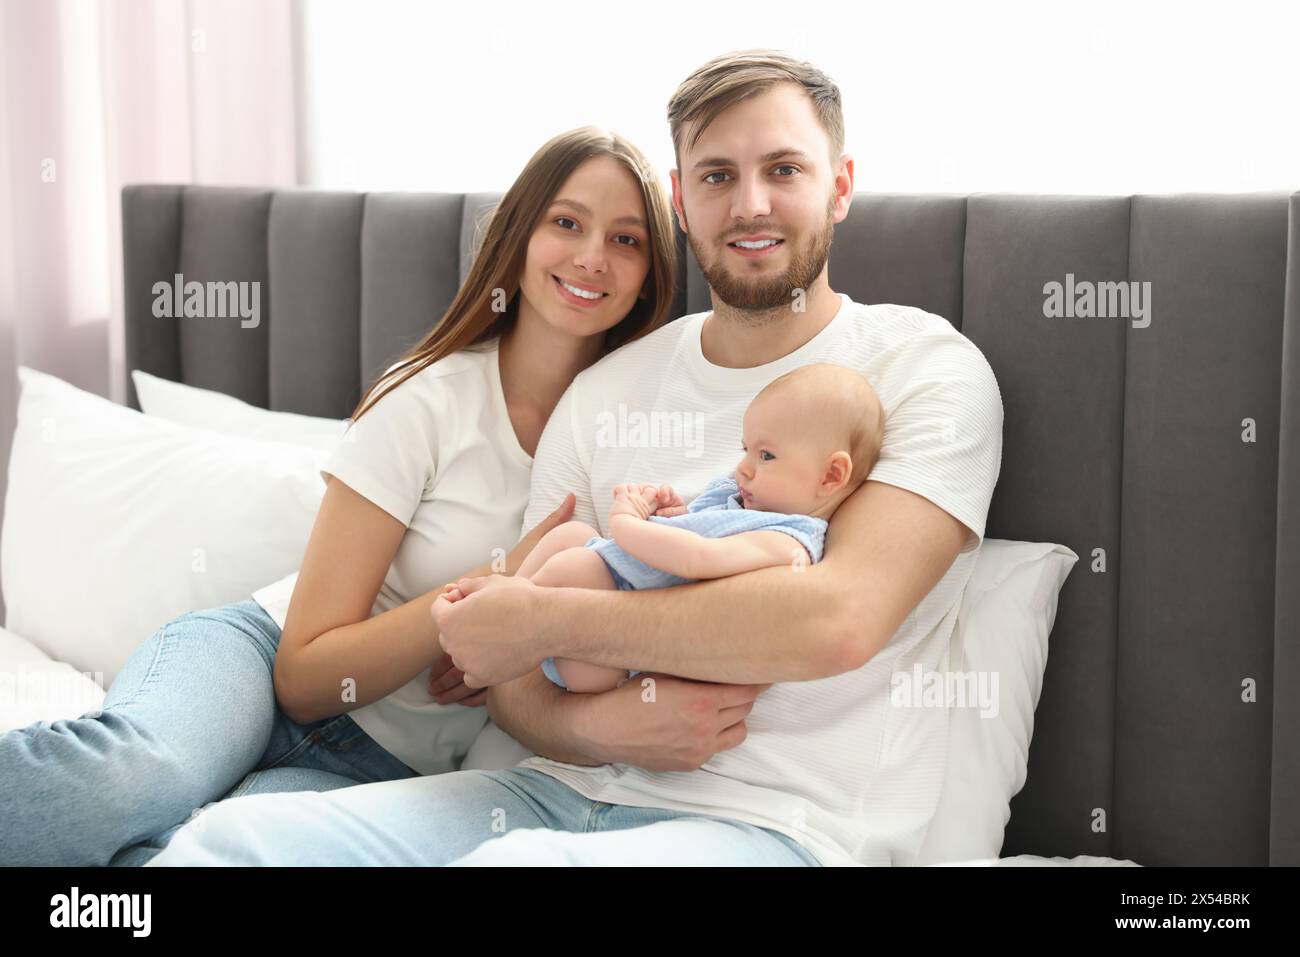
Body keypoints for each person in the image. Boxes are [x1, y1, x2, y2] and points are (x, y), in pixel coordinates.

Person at [146, 49, 1004, 868]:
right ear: (679, 198)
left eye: (784, 170)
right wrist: (593, 727)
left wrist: (549, 623)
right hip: (543, 793)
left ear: (840, 185)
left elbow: (835, 621)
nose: (749, 204)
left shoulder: (923, 370)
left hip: (769, 824)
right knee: (230, 846)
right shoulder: (604, 390)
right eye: (716, 175)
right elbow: (512, 675)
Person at [0, 126, 678, 866]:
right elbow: (303, 677)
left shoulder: (631, 449)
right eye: (567, 222)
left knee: (184, 858)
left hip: (385, 771)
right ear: (518, 237)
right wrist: (481, 598)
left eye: (627, 239)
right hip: (255, 671)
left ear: (650, 273)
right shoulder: (430, 400)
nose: (591, 257)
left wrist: (511, 642)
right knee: (126, 781)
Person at [516, 362, 883, 692]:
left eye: (766, 455)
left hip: (605, 660)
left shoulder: (789, 541)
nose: (744, 467)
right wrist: (674, 515)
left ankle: (509, 621)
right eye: (746, 450)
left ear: (831, 475)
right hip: (601, 591)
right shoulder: (738, 498)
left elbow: (697, 559)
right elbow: (693, 534)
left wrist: (625, 523)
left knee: (576, 565)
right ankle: (501, 598)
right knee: (572, 536)